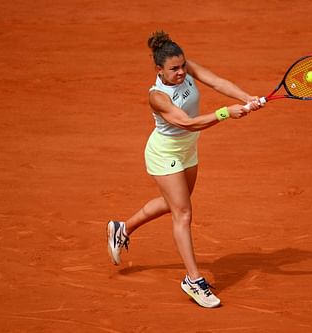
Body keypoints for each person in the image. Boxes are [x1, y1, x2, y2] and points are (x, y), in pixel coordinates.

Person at [107, 30, 261, 308]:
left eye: (182, 66)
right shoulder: (157, 97)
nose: (181, 72)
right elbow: (187, 123)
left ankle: (122, 228)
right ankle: (193, 279)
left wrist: (246, 96)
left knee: (173, 204)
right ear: (159, 70)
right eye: (174, 69)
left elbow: (216, 81)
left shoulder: (186, 67)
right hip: (164, 154)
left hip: (188, 149)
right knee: (183, 212)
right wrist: (225, 113)